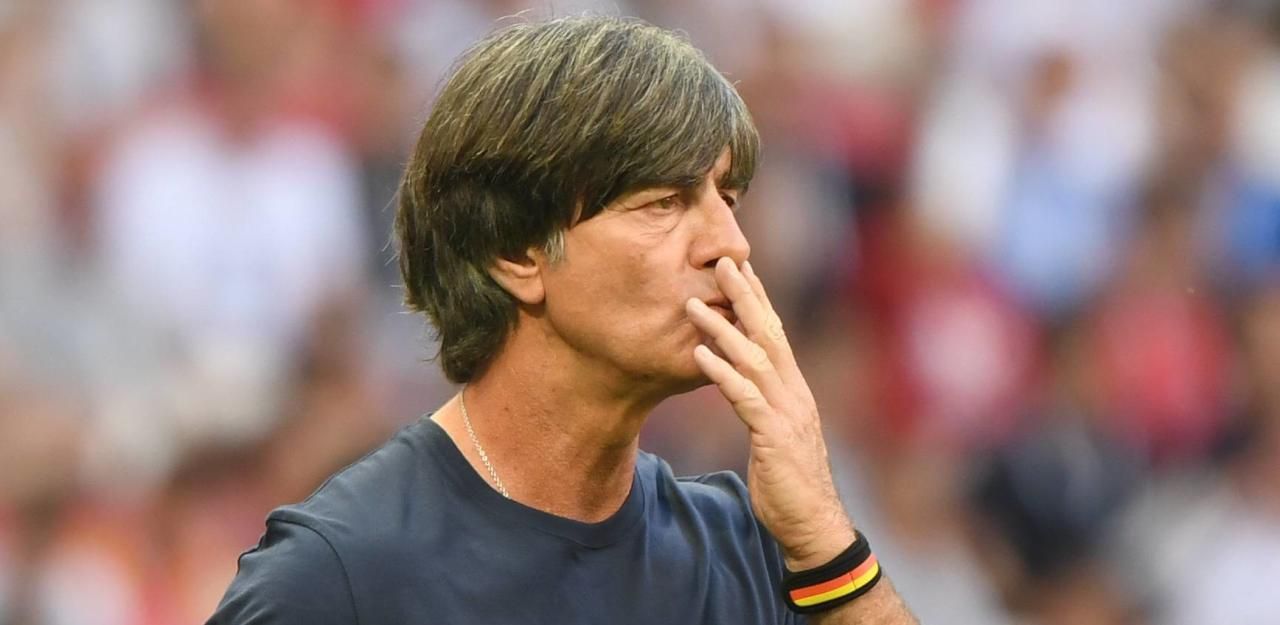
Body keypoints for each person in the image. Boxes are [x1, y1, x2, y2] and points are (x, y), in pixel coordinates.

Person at [207, 15, 917, 625]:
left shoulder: (753, 550)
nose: (730, 243)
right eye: (664, 203)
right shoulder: (336, 578)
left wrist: (828, 543)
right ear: (517, 250)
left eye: (726, 199)